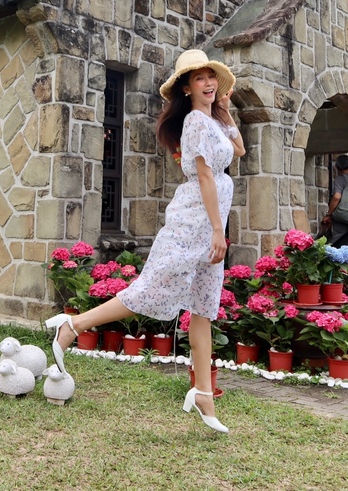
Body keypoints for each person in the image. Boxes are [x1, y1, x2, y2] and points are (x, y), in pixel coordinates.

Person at [44, 49, 245, 434]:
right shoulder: (193, 125)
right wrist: (219, 231)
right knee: (150, 288)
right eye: (199, 78)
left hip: (212, 221)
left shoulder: (213, 122)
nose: (207, 83)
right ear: (186, 88)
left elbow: (239, 150)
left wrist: (224, 109)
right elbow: (204, 178)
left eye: (211, 77)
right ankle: (73, 326)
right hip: (194, 221)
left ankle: (203, 393)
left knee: (204, 308)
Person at [321, 154, 348, 248]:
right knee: (347, 245)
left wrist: (329, 214)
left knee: (333, 245)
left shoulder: (339, 180)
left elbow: (337, 197)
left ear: (337, 167)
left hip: (341, 219)